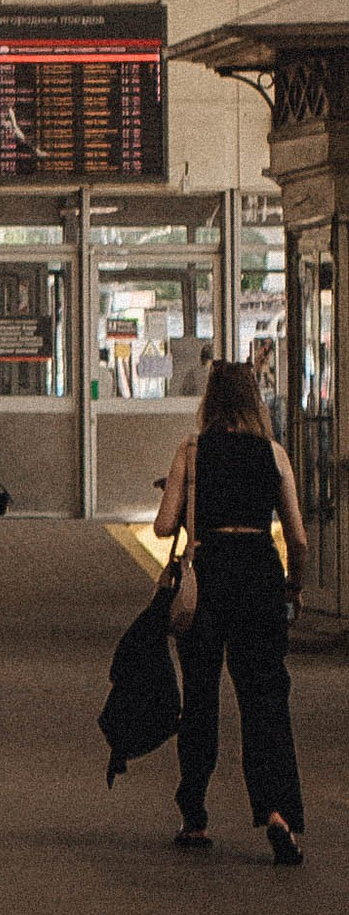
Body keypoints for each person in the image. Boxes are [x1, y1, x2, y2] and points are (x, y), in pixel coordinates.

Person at [158, 357, 309, 866]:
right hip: (261, 576)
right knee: (265, 697)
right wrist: (294, 585)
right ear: (254, 400)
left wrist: (176, 497)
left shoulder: (192, 451)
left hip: (210, 576)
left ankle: (195, 815)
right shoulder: (275, 453)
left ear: (209, 400)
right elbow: (299, 538)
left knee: (200, 697)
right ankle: (278, 812)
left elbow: (161, 527)